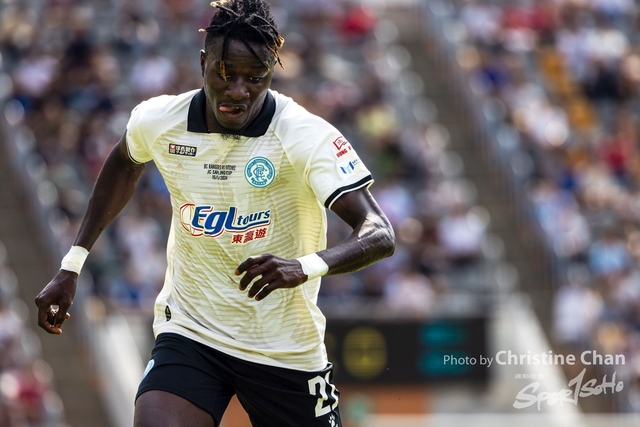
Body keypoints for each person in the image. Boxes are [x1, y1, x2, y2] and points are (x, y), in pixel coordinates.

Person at [34, 1, 395, 426]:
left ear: (271, 74)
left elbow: (379, 232)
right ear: (204, 62)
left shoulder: (304, 135)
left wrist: (305, 266)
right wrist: (72, 263)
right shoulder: (159, 120)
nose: (238, 90)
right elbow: (125, 163)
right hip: (192, 331)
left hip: (282, 348)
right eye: (226, 73)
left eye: (254, 78)